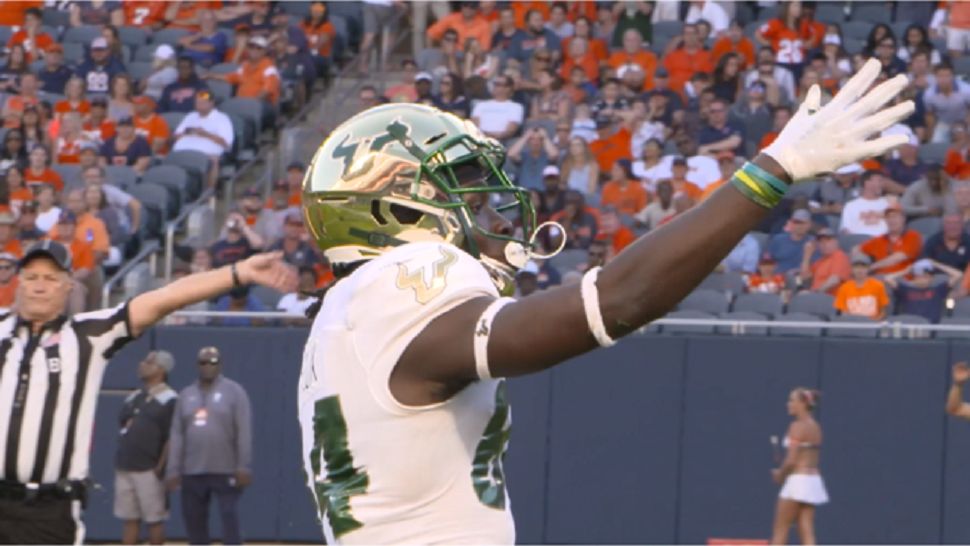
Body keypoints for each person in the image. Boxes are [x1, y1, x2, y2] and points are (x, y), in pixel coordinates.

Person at [293, 58, 911, 543]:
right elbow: (614, 301)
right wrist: (769, 172)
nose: (489, 207)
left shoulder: (348, 313)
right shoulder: (406, 280)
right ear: (396, 211)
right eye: (464, 191)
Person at [0, 238, 293, 543]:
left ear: (68, 286)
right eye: (31, 277)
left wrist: (239, 272)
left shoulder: (87, 335)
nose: (39, 286)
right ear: (18, 282)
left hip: (50, 510)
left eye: (50, 278)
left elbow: (165, 298)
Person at [166, 346, 253, 545]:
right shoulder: (186, 395)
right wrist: (173, 469)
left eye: (212, 362)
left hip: (226, 468)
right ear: (197, 365)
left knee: (229, 518)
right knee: (194, 521)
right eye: (203, 362)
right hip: (192, 469)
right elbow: (177, 434)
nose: (208, 367)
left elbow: (243, 430)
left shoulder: (234, 392)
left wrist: (243, 465)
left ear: (220, 364)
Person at [114, 350, 178, 545]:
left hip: (149, 469)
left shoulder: (170, 399)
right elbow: (123, 422)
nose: (142, 365)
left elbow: (172, 437)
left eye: (149, 362)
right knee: (129, 519)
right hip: (125, 465)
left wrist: (161, 468)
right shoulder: (134, 396)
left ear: (161, 369)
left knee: (154, 520)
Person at [771, 387, 827, 545]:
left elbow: (791, 461)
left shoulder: (796, 426)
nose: (788, 404)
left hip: (796, 482)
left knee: (781, 529)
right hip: (812, 482)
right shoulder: (816, 428)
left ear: (802, 403)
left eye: (792, 400)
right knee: (806, 529)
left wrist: (780, 475)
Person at [883, 258, 962, 323]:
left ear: (931, 279)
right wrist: (906, 271)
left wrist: (936, 264)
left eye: (926, 277)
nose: (923, 279)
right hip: (911, 326)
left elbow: (958, 275)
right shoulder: (905, 290)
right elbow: (888, 278)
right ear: (914, 278)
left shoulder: (938, 290)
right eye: (920, 276)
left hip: (932, 327)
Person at [856, 202, 922, 276]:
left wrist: (871, 267)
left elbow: (898, 258)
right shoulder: (879, 239)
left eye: (895, 216)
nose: (891, 220)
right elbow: (857, 249)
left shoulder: (913, 236)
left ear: (903, 219)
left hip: (901, 278)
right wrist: (859, 264)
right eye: (888, 217)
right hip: (879, 279)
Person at [834, 255, 891, 320]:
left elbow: (883, 311)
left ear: (868, 269)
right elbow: (843, 313)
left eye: (863, 266)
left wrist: (874, 323)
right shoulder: (844, 288)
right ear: (851, 269)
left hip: (872, 325)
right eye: (856, 267)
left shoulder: (878, 286)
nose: (860, 270)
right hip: (852, 325)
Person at [799, 228, 850, 295]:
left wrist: (815, 293)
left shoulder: (839, 256)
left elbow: (834, 280)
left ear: (836, 242)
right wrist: (807, 255)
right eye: (821, 241)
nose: (824, 244)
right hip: (817, 297)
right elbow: (804, 277)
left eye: (828, 240)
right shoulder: (820, 262)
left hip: (831, 299)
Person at [840, 170, 890, 236]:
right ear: (867, 183)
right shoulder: (851, 205)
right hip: (860, 241)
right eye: (879, 180)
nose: (882, 184)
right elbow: (846, 230)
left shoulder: (888, 203)